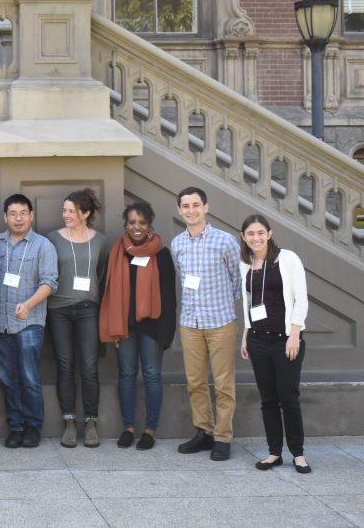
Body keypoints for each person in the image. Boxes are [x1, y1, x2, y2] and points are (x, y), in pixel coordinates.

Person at [171, 186, 242, 462]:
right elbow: (182, 277)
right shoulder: (178, 244)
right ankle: (204, 431)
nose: (191, 210)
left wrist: (223, 305)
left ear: (206, 207)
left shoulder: (225, 242)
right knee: (195, 382)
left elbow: (237, 280)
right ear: (179, 211)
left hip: (220, 322)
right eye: (186, 206)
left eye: (196, 205)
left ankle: (223, 437)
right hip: (190, 323)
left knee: (224, 384)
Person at [99, 202, 176, 451]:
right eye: (132, 222)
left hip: (152, 326)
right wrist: (112, 325)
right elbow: (108, 291)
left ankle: (150, 430)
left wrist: (167, 333)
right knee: (126, 375)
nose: (137, 227)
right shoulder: (118, 251)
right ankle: (128, 428)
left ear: (150, 224)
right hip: (125, 326)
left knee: (152, 376)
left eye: (142, 222)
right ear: (126, 225)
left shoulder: (160, 253)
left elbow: (169, 296)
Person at [238, 215, 311, 473]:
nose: (255, 238)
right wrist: (246, 335)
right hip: (258, 340)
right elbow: (248, 302)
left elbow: (300, 299)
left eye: (260, 233)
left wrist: (294, 335)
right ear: (244, 236)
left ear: (269, 233)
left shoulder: (288, 259)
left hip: (285, 341)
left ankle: (298, 453)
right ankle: (273, 452)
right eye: (250, 234)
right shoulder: (246, 263)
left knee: (288, 397)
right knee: (268, 399)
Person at [0, 194, 58, 449]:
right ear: (5, 217)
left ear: (32, 215)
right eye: (13, 214)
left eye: (23, 213)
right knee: (8, 378)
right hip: (1, 323)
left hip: (29, 323)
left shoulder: (43, 246)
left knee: (29, 377)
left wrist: (28, 304)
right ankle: (15, 427)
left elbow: (50, 282)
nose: (18, 218)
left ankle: (32, 427)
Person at [46, 188, 109, 448]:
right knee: (65, 364)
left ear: (86, 213)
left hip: (88, 309)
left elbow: (103, 276)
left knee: (89, 365)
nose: (66, 215)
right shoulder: (52, 238)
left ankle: (91, 422)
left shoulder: (101, 241)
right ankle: (69, 421)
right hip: (58, 309)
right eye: (64, 210)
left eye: (72, 211)